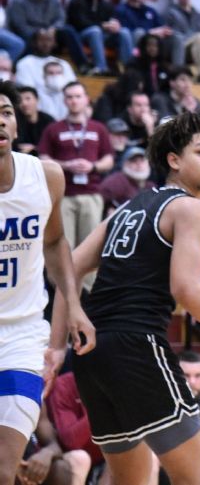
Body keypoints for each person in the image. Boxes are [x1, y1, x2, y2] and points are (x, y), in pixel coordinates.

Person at [63, 110, 200, 485]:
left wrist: (60, 338)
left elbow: (68, 266)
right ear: (173, 160)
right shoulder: (192, 208)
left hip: (93, 355)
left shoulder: (126, 208)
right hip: (138, 344)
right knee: (196, 479)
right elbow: (187, 289)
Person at [0, 80, 95, 485]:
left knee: (4, 469)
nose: (0, 121)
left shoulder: (46, 176)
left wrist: (73, 305)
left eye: (5, 112)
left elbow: (55, 241)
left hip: (22, 337)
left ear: (17, 126)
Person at [38, 83, 114, 252]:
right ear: (64, 100)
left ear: (87, 99)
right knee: (64, 246)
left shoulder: (98, 128)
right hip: (63, 195)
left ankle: (88, 281)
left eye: (78, 96)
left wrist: (92, 166)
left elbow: (109, 158)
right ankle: (64, 280)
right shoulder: (53, 128)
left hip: (91, 194)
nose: (74, 101)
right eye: (69, 97)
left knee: (90, 248)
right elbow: (43, 158)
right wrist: (66, 165)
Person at [10, 0, 87, 71]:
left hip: (51, 32)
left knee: (69, 31)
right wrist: (38, 32)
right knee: (26, 39)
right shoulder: (18, 1)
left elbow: (61, 18)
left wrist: (54, 28)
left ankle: (83, 65)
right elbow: (19, 24)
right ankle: (18, 69)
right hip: (31, 33)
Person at [66, 0, 133, 76]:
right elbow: (79, 23)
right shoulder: (76, 1)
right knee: (95, 30)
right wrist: (102, 25)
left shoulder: (107, 3)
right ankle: (101, 68)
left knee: (124, 32)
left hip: (104, 36)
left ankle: (129, 69)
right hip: (83, 36)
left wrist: (115, 25)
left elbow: (112, 19)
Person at [115, 0, 178, 64]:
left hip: (155, 44)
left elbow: (161, 28)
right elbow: (127, 33)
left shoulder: (150, 11)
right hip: (135, 47)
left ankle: (177, 72)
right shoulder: (120, 10)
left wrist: (164, 31)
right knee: (139, 33)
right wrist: (150, 32)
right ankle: (140, 67)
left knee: (176, 38)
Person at [16, 30, 76, 119]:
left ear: (55, 43)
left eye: (49, 40)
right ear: (34, 42)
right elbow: (28, 91)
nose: (45, 44)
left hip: (64, 111)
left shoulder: (63, 64)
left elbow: (72, 87)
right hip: (38, 113)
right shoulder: (24, 63)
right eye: (41, 40)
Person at [16, 84, 54, 155]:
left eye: (28, 98)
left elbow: (55, 144)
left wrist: (35, 148)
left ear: (37, 100)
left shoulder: (48, 120)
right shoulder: (15, 121)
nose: (24, 103)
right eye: (20, 100)